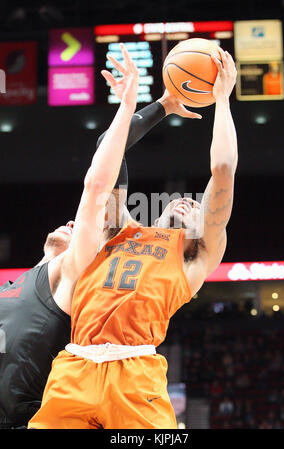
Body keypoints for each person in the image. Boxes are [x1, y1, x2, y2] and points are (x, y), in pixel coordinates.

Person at [28, 47, 238, 429]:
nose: (186, 202)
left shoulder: (194, 259)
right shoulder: (117, 228)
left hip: (137, 376)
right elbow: (109, 148)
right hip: (75, 369)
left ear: (198, 232)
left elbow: (223, 169)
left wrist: (222, 100)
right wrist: (162, 104)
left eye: (195, 205)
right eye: (182, 199)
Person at [0, 43, 140, 429]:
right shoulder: (13, 285)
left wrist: (132, 107)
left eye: (83, 229)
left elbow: (98, 185)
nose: (74, 223)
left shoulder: (69, 276)